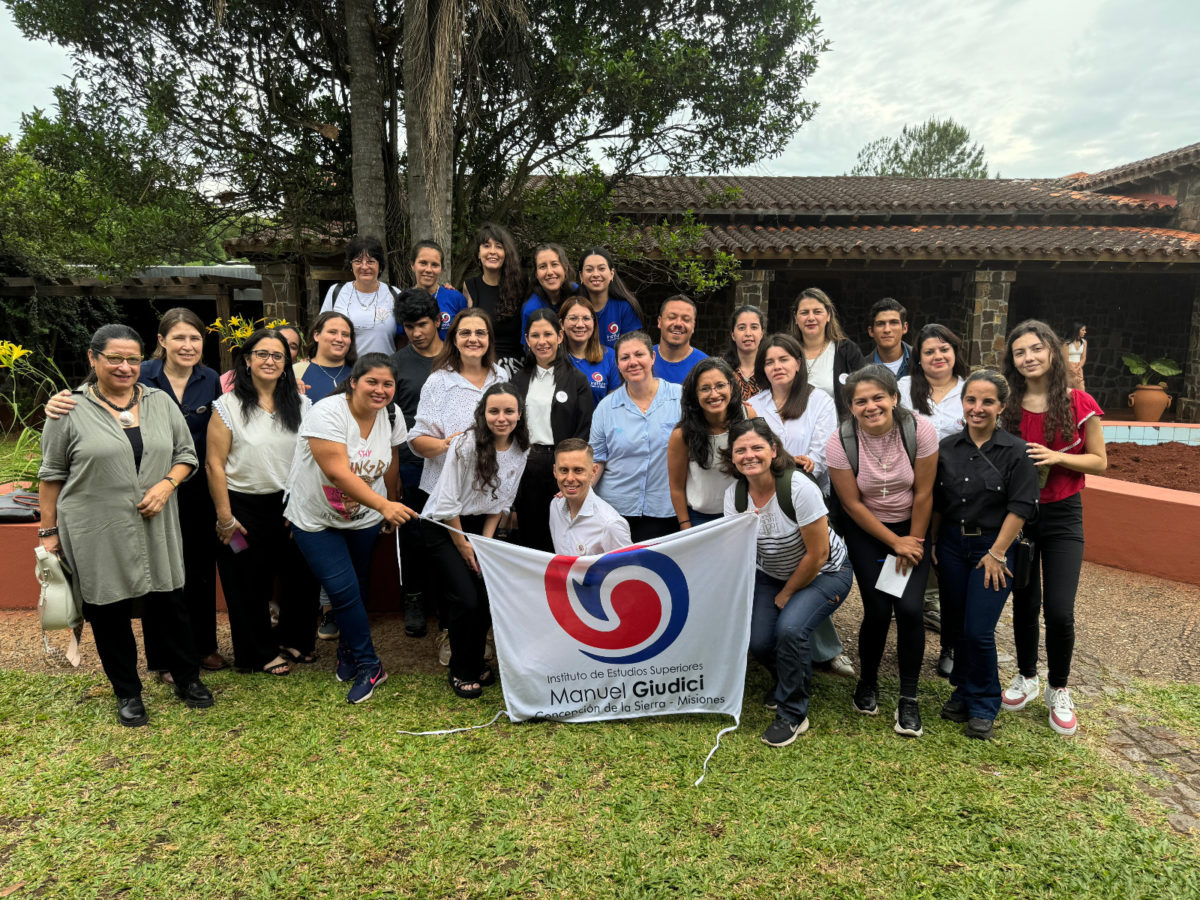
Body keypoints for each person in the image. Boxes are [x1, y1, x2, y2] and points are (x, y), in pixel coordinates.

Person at [38, 324, 212, 726]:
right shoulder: (68, 410)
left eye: (133, 359)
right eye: (114, 358)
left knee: (170, 602)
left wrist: (167, 486)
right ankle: (128, 693)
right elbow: (51, 475)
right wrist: (48, 533)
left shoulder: (160, 402)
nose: (125, 366)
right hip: (95, 525)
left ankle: (187, 679)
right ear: (92, 358)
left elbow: (186, 454)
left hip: (157, 520)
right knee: (109, 608)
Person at [285, 353, 416, 704]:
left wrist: (389, 498)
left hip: (364, 518)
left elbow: (391, 458)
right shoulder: (327, 412)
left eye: (387, 383)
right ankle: (370, 665)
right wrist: (385, 505)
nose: (380, 390)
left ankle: (346, 652)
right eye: (372, 381)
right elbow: (337, 473)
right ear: (354, 382)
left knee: (356, 586)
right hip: (315, 518)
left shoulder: (391, 414)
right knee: (341, 589)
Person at [1000, 319, 1106, 737]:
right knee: (1024, 603)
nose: (1029, 358)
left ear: (1052, 352)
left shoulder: (1079, 402)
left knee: (1059, 610)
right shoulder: (1007, 404)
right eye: (1020, 352)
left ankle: (1058, 688)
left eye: (1036, 349)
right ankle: (1026, 675)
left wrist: (1057, 457)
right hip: (1019, 516)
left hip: (1063, 516)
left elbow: (1099, 460)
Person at [722, 419, 853, 747]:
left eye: (756, 447)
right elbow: (737, 550)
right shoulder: (734, 496)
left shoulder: (798, 488)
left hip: (825, 573)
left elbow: (819, 553)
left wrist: (787, 593)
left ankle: (793, 713)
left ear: (774, 450)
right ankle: (789, 680)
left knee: (791, 630)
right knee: (759, 640)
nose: (749, 455)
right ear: (732, 457)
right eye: (741, 450)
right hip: (773, 574)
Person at [827, 365, 938, 738]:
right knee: (877, 609)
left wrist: (913, 542)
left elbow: (924, 492)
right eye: (861, 401)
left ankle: (909, 697)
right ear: (851, 406)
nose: (870, 406)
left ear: (894, 397)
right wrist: (894, 544)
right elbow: (852, 504)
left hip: (914, 526)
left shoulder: (919, 430)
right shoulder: (840, 441)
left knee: (908, 609)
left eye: (878, 397)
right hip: (868, 531)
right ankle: (868, 682)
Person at [932, 370, 1039, 740]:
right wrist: (932, 542)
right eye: (971, 400)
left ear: (1002, 407)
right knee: (957, 625)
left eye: (987, 401)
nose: (977, 408)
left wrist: (997, 553)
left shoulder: (1017, 452)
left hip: (992, 549)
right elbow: (936, 503)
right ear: (962, 404)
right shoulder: (946, 448)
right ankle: (962, 692)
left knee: (978, 630)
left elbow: (1021, 506)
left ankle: (983, 703)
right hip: (950, 545)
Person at [207, 328, 317, 677]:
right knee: (246, 582)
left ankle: (294, 639)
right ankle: (257, 652)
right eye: (262, 354)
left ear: (288, 364)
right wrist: (225, 516)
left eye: (278, 355)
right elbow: (214, 464)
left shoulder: (301, 405)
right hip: (242, 509)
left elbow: (310, 458)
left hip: (291, 505)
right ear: (247, 361)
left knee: (301, 576)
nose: (270, 361)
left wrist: (300, 504)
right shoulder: (228, 406)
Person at [745, 333, 851, 678]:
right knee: (782, 568)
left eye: (783, 359)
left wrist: (811, 462)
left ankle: (825, 650)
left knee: (812, 569)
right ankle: (802, 649)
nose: (776, 367)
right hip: (765, 496)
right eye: (769, 361)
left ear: (798, 363)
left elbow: (825, 445)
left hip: (806, 496)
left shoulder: (818, 400)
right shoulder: (755, 405)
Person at [408, 309, 505, 666]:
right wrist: (449, 448)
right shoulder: (440, 381)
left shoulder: (501, 376)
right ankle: (450, 634)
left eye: (481, 333)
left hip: (485, 498)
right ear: (454, 338)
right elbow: (416, 438)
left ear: (489, 339)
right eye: (465, 333)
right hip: (443, 496)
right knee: (454, 579)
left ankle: (476, 638)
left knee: (479, 577)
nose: (473, 339)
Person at [423, 384, 530, 698]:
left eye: (509, 411)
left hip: (480, 527)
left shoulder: (521, 448)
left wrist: (484, 545)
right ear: (483, 414)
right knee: (465, 599)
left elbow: (500, 503)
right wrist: (464, 544)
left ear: (519, 415)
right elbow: (446, 502)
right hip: (444, 525)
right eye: (493, 411)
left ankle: (475, 661)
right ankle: (460, 669)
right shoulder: (466, 444)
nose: (501, 418)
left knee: (485, 598)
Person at [898, 323, 970, 673]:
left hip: (960, 496)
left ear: (955, 352)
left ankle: (951, 646)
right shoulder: (902, 390)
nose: (938, 356)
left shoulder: (971, 391)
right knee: (911, 558)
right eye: (929, 351)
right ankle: (904, 635)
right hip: (911, 492)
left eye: (944, 349)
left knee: (952, 570)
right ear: (918, 358)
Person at [509, 309, 594, 551]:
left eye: (548, 334)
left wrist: (569, 470)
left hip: (562, 466)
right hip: (527, 464)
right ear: (527, 340)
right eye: (535, 335)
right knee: (530, 532)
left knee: (564, 532)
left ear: (560, 336)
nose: (542, 341)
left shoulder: (577, 380)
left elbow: (584, 427)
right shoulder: (518, 380)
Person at [589, 331, 682, 542]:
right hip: (615, 512)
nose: (633, 362)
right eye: (625, 358)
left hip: (666, 509)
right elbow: (597, 458)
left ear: (653, 357)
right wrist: (580, 490)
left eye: (639, 354)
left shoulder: (680, 398)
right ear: (618, 365)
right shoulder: (606, 408)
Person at [390, 289, 445, 639]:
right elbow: (389, 420)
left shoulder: (456, 358)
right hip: (410, 462)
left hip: (451, 463)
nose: (416, 332)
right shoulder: (396, 363)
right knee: (412, 535)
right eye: (409, 326)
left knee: (447, 533)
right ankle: (414, 598)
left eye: (422, 324)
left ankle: (445, 601)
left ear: (439, 321)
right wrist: (391, 473)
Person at [667, 358, 752, 529]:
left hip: (744, 514)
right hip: (701, 519)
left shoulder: (748, 415)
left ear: (731, 386)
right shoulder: (681, 435)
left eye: (720, 385)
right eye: (705, 389)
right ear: (694, 394)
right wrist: (686, 526)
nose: (714, 394)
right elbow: (676, 487)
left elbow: (767, 454)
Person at [790, 287, 866, 417]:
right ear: (796, 318)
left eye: (817, 311)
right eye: (804, 313)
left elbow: (865, 391)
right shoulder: (786, 352)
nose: (811, 318)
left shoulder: (847, 351)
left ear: (828, 315)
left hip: (837, 433)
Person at [549, 438, 631, 556]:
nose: (570, 478)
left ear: (594, 471)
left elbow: (629, 570)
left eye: (578, 470)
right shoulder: (555, 506)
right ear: (555, 471)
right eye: (564, 470)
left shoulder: (610, 525)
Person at [321, 234, 399, 356]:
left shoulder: (394, 294)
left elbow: (406, 335)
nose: (364, 266)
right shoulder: (336, 292)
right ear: (351, 265)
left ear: (380, 265)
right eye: (358, 261)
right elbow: (322, 332)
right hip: (345, 371)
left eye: (370, 261)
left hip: (385, 370)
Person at [462, 223, 525, 371]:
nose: (492, 251)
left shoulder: (521, 285)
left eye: (498, 246)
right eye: (486, 246)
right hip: (481, 365)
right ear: (478, 253)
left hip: (516, 367)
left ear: (506, 253)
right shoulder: (469, 287)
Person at [559, 294, 621, 407]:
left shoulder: (610, 356)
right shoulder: (553, 358)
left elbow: (614, 407)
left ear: (594, 323)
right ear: (561, 324)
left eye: (586, 318)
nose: (580, 325)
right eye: (573, 318)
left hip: (599, 424)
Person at [577, 247, 643, 349]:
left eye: (601, 268)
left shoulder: (624, 308)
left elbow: (631, 351)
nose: (595, 274)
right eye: (589, 270)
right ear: (581, 276)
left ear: (612, 274)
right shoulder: (573, 308)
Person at [408, 239, 467, 340]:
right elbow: (400, 340)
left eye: (435, 265)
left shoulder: (456, 298)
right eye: (423, 263)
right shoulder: (404, 299)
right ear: (412, 265)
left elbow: (465, 335)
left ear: (441, 268)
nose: (428, 270)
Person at [519, 243, 578, 339]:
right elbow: (529, 349)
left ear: (565, 268)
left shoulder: (577, 293)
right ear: (536, 274)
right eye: (542, 267)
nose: (550, 272)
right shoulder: (531, 309)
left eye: (554, 264)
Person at [296, 311, 357, 404]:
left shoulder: (360, 374)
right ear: (316, 335)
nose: (339, 339)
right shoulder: (295, 372)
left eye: (345, 335)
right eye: (332, 332)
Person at [652, 294, 707, 383]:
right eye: (672, 317)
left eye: (686, 319)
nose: (678, 323)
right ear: (660, 322)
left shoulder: (705, 366)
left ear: (693, 326)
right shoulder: (641, 359)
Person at [860, 298, 912, 377]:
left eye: (894, 323)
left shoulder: (921, 360)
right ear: (871, 331)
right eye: (880, 324)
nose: (887, 330)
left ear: (905, 328)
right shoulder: (861, 370)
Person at [723, 305, 766, 399]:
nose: (748, 333)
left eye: (754, 327)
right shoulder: (721, 369)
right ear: (733, 335)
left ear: (762, 333)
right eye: (742, 328)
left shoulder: (770, 368)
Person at [1064, 322, 1087, 391]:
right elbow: (1065, 359)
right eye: (1083, 330)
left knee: (1081, 390)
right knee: (1068, 391)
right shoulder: (1066, 343)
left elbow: (1083, 357)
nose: (1085, 332)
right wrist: (1073, 371)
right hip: (1068, 368)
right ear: (1077, 330)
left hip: (1078, 368)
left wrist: (1079, 368)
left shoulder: (1084, 342)